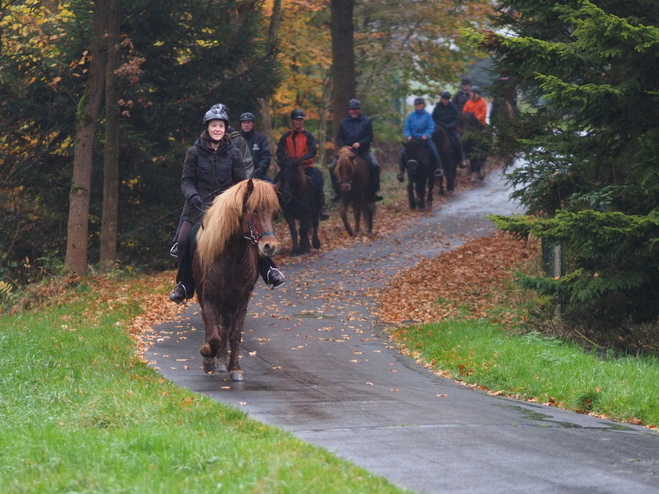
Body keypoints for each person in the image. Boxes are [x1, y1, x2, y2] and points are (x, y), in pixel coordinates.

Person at [169, 104, 285, 303]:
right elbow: (186, 180)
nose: (217, 129)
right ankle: (184, 283)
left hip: (227, 208)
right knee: (182, 240)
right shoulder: (194, 152)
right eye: (214, 125)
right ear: (207, 127)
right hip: (199, 205)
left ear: (225, 129)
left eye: (221, 126)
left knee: (252, 231)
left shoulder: (233, 153)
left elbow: (241, 182)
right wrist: (193, 196)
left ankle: (269, 270)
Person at [276, 108, 329, 221]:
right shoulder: (286, 137)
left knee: (317, 181)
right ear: (292, 121)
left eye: (300, 120)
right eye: (296, 120)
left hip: (306, 166)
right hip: (290, 168)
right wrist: (287, 162)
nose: (298, 122)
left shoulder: (308, 136)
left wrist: (301, 160)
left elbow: (313, 151)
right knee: (275, 182)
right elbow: (279, 152)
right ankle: (276, 208)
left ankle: (322, 208)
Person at [329, 99, 383, 202]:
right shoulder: (343, 122)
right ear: (349, 111)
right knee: (332, 167)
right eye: (352, 109)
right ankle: (336, 191)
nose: (354, 111)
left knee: (375, 165)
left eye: (356, 109)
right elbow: (338, 138)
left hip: (363, 151)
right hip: (347, 152)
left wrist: (360, 143)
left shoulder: (367, 121)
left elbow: (369, 137)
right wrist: (344, 146)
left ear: (359, 110)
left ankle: (375, 191)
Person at [400, 97, 440, 174]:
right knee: (403, 153)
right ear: (414, 105)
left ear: (423, 105)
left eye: (420, 104)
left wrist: (426, 135)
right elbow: (406, 127)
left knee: (434, 151)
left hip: (424, 139)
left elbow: (430, 127)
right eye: (417, 104)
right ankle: (401, 172)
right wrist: (408, 135)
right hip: (413, 139)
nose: (418, 105)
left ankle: (437, 169)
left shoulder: (428, 116)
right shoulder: (410, 116)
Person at [431, 90, 465, 170]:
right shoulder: (437, 107)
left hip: (450, 129)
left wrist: (449, 126)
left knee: (457, 140)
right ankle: (431, 160)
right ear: (441, 99)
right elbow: (433, 118)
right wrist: (437, 126)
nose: (445, 101)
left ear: (449, 99)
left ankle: (460, 159)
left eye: (447, 99)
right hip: (439, 129)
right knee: (431, 140)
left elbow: (456, 119)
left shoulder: (453, 107)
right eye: (444, 99)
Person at [239, 112, 273, 181]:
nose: (246, 125)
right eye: (244, 123)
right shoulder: (236, 139)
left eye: (248, 122)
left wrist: (260, 169)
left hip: (258, 174)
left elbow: (266, 156)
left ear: (253, 124)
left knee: (273, 188)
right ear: (241, 124)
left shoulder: (260, 138)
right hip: (239, 174)